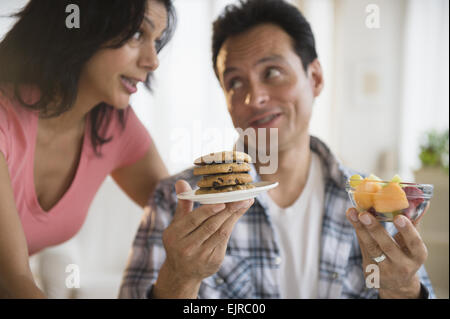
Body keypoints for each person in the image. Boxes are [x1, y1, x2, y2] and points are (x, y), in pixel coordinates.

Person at [118, 0, 435, 299]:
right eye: (235, 82)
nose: (253, 98)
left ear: (316, 77)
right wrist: (179, 279)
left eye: (271, 72)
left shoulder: (376, 203)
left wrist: (404, 290)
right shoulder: (177, 202)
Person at [0, 0, 178, 298]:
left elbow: (181, 210)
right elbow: (16, 279)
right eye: (137, 35)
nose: (152, 60)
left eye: (156, 41)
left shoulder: (113, 125)